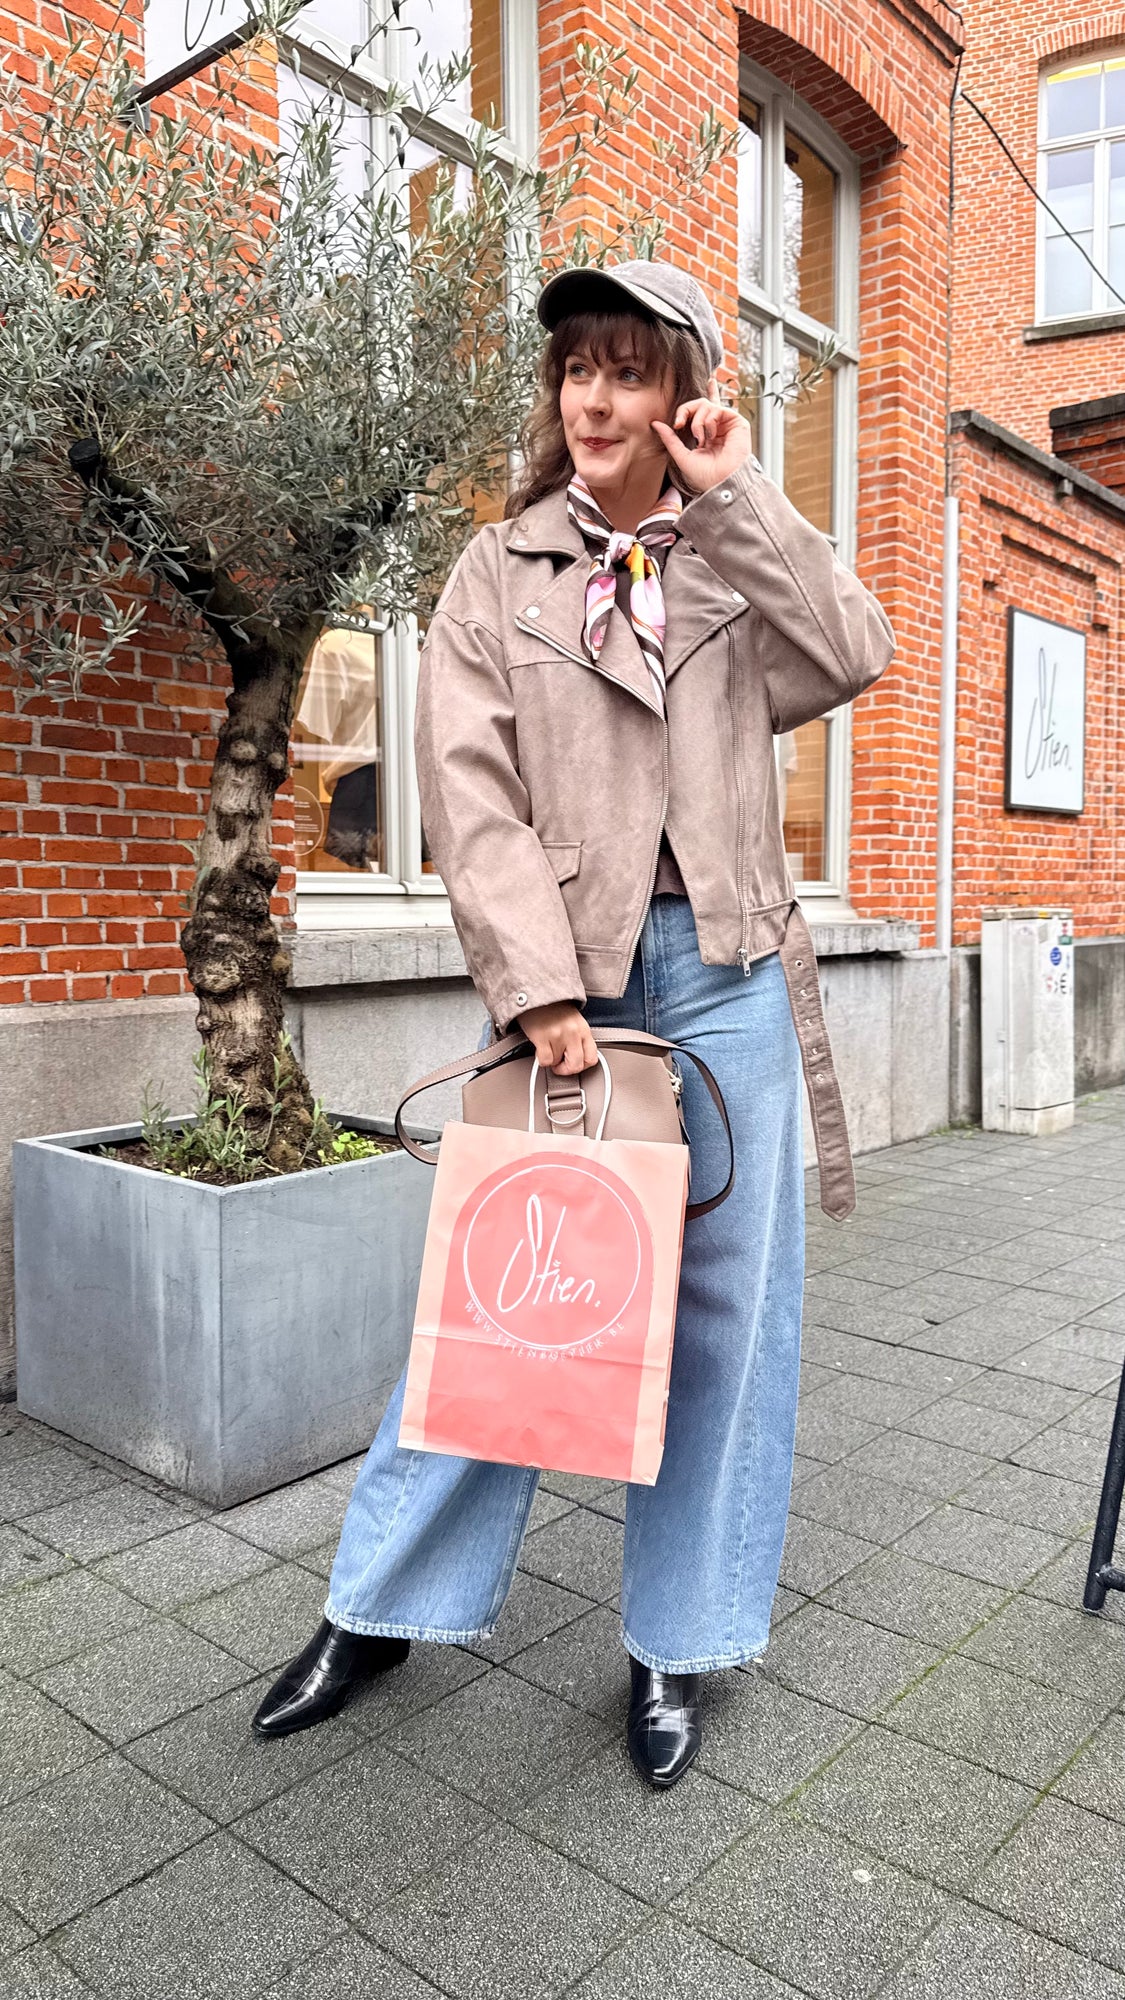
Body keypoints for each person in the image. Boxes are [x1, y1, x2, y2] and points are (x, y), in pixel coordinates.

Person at [252, 260, 895, 1788]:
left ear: (679, 391)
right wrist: (535, 988)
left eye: (628, 368)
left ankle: (679, 1639)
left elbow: (852, 649)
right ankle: (380, 1606)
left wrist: (737, 498)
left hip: (727, 968)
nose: (595, 397)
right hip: (574, 985)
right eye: (575, 368)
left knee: (726, 1324)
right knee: (507, 1298)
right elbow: (468, 791)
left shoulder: (729, 556)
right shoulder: (500, 569)